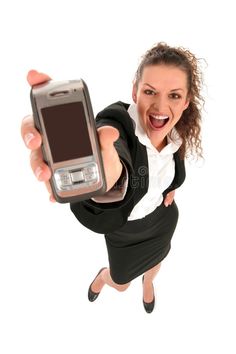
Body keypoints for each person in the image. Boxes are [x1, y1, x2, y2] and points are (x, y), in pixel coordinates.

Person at [21, 42, 203, 313]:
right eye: (150, 91)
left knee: (156, 264)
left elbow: (173, 169)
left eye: (174, 96)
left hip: (163, 221)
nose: (161, 106)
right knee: (121, 283)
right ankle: (104, 277)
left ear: (186, 101)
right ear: (135, 91)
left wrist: (171, 188)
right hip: (126, 234)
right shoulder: (117, 123)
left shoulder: (177, 135)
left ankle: (148, 283)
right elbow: (116, 158)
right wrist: (105, 176)